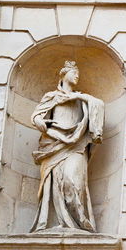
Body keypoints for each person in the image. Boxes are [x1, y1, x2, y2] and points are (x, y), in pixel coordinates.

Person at [30, 61, 104, 232]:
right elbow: (35, 117)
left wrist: (78, 97)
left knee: (73, 181)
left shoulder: (83, 100)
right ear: (63, 75)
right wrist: (42, 123)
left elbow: (99, 105)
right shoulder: (52, 96)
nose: (77, 75)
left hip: (76, 145)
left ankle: (79, 223)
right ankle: (56, 221)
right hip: (54, 145)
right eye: (73, 72)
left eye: (77, 73)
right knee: (56, 183)